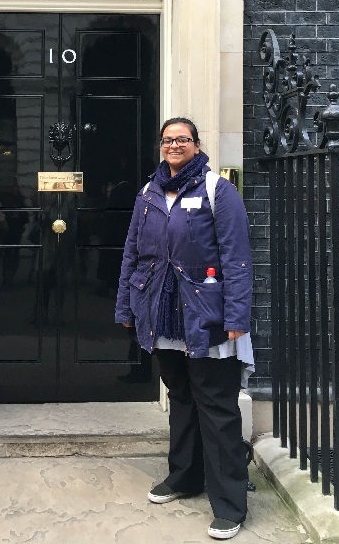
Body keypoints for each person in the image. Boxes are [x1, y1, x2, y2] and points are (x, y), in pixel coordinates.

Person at [115, 118, 254, 541]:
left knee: (217, 407)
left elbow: (237, 258)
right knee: (181, 398)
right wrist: (126, 306)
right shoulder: (149, 193)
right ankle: (184, 477)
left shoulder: (218, 191)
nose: (175, 145)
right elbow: (132, 254)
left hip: (206, 315)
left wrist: (236, 318)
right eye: (168, 140)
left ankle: (229, 503)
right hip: (161, 313)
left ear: (196, 144)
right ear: (161, 146)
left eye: (183, 139)